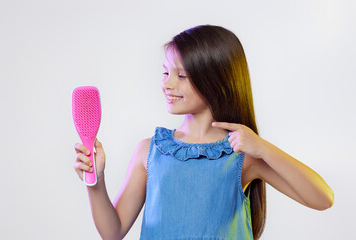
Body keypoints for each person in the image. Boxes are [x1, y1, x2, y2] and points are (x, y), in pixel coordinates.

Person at [73, 25, 334, 240]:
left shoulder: (242, 155)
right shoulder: (149, 151)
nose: (167, 83)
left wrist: (263, 147)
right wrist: (95, 181)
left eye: (181, 75)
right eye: (165, 72)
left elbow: (323, 199)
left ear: (215, 79)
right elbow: (112, 231)